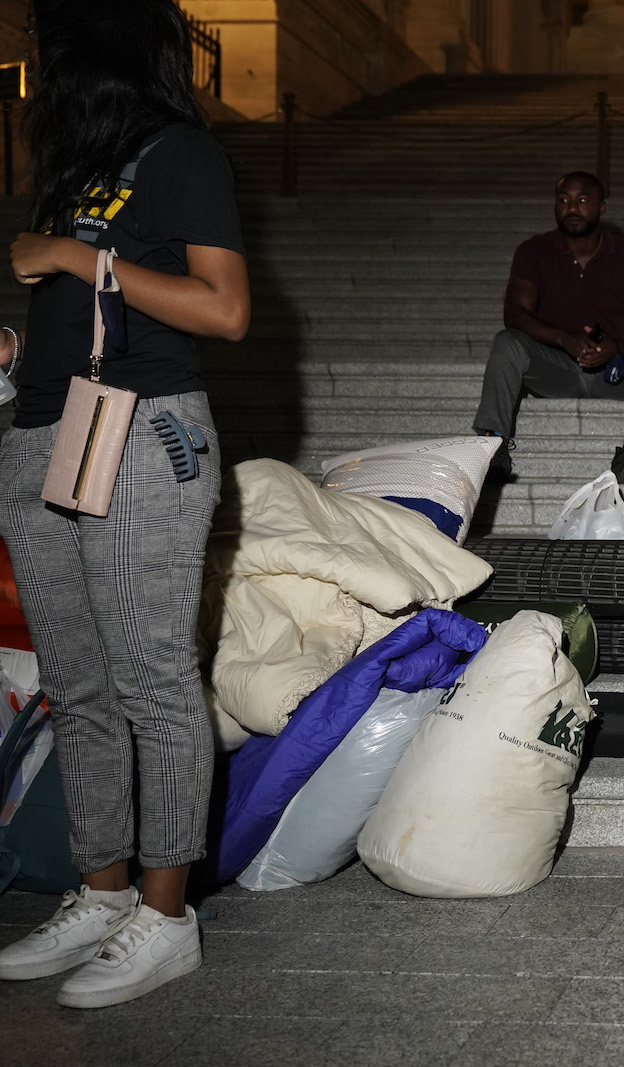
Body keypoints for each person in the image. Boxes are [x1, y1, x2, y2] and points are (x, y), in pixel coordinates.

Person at [0, 0, 249, 1009]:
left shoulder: (180, 154)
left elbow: (226, 311)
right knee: (77, 681)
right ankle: (100, 890)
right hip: (42, 431)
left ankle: (166, 911)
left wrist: (76, 257)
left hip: (143, 435)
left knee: (151, 678)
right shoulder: (76, 172)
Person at [472, 171, 624, 485]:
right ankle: (492, 445)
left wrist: (616, 348)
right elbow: (514, 314)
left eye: (582, 200)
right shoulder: (534, 251)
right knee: (507, 342)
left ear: (602, 207)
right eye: (564, 200)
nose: (572, 208)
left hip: (615, 372)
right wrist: (563, 339)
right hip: (555, 367)